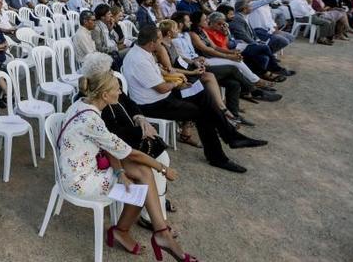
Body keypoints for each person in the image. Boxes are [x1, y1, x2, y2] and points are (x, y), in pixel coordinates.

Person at [61, 62, 196, 260]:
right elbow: (129, 153)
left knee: (142, 174)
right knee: (142, 180)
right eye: (117, 89)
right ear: (105, 95)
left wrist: (120, 172)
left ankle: (158, 232)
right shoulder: (94, 121)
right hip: (79, 180)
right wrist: (164, 169)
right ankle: (147, 232)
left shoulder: (83, 103)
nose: (120, 92)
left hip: (82, 164)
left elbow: (110, 149)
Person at [122, 26, 267, 173]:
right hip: (153, 104)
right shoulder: (139, 60)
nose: (161, 43)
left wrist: (179, 82)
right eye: (159, 40)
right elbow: (162, 88)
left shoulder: (144, 52)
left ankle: (231, 137)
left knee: (202, 93)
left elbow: (161, 79)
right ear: (152, 43)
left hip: (163, 96)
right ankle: (220, 153)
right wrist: (177, 83)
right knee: (202, 113)